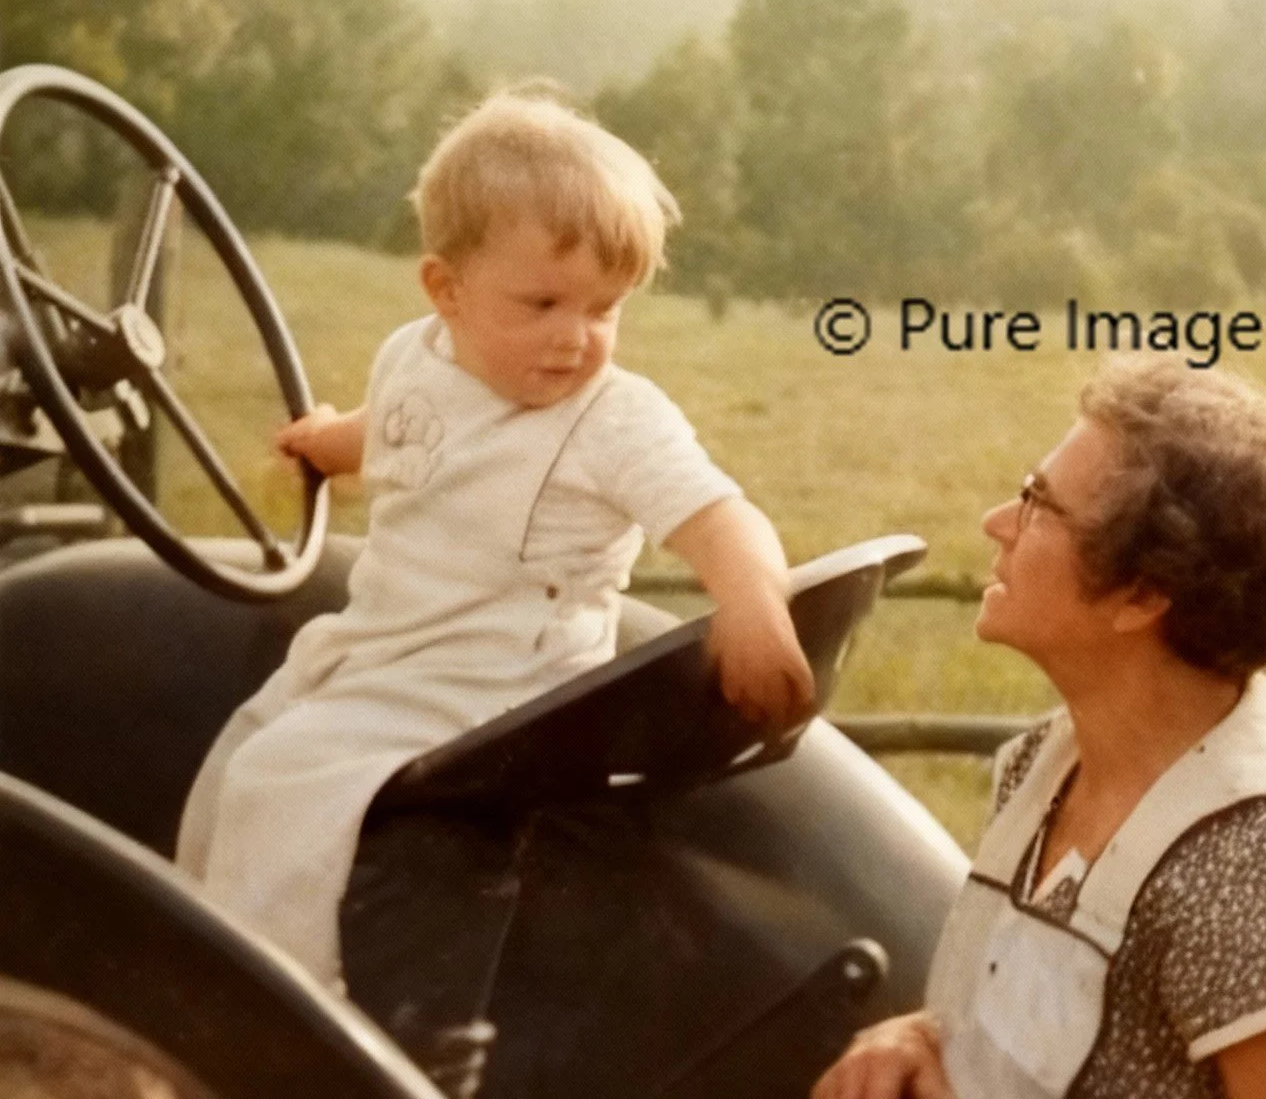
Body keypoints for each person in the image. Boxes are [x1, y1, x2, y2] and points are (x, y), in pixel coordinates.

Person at [176, 86, 815, 983]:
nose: (577, 340)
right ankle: (201, 969)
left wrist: (751, 600)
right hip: (387, 651)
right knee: (242, 750)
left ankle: (286, 1020)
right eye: (544, 303)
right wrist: (327, 442)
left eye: (604, 309)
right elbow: (396, 424)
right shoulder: (414, 352)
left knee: (279, 780)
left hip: (508, 688)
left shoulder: (615, 421)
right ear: (447, 290)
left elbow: (719, 517)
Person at [812, 358, 1266, 1099]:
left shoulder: (1265, 867)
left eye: (1038, 503)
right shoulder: (1046, 765)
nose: (997, 522)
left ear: (1140, 593)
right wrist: (927, 1040)